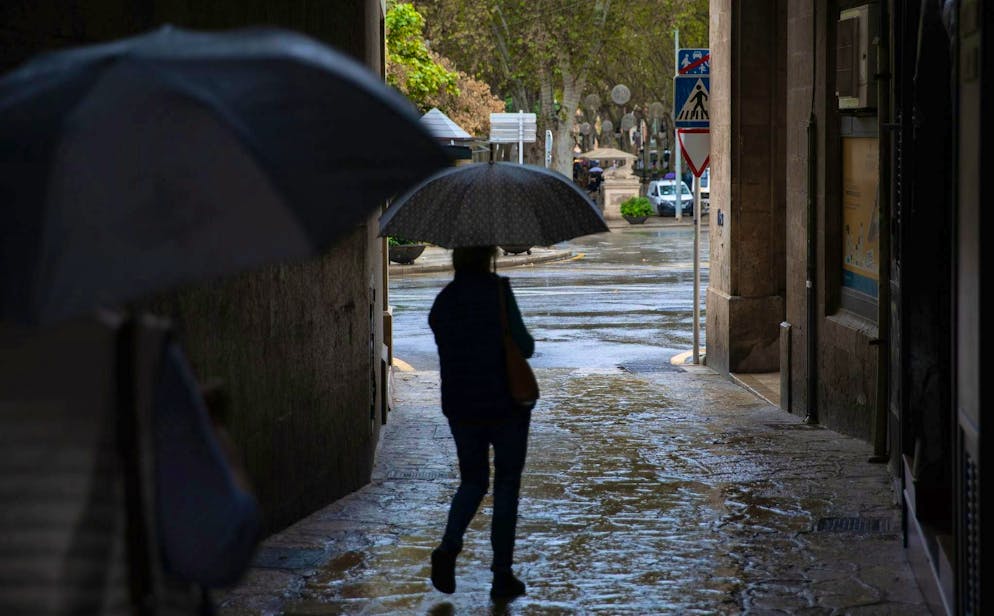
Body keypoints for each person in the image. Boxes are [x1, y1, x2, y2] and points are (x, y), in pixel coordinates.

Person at [427, 246, 535, 600]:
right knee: (506, 485)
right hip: (506, 405)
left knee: (472, 481)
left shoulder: (444, 301)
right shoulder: (498, 292)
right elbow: (526, 346)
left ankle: (448, 545)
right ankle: (501, 574)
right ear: (488, 255)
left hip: (461, 406)